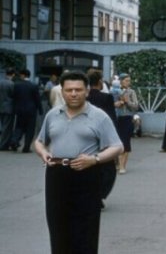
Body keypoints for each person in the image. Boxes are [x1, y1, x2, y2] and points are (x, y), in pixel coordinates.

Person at [34, 71, 123, 254]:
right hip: (56, 173)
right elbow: (39, 141)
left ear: (87, 91)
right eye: (69, 90)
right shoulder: (53, 114)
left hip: (86, 173)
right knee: (57, 224)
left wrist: (95, 159)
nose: (73, 94)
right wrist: (43, 153)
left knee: (85, 228)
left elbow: (117, 146)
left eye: (78, 90)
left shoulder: (99, 116)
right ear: (62, 92)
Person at [87, 70, 119, 206]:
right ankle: (99, 195)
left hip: (86, 136)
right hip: (103, 137)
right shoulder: (107, 98)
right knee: (108, 169)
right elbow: (111, 119)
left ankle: (89, 195)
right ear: (100, 82)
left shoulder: (85, 97)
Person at [10, 69, 43, 152]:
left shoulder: (17, 85)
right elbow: (37, 99)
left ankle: (14, 141)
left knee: (19, 127)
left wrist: (14, 109)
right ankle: (26, 147)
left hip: (20, 110)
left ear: (23, 75)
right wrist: (40, 109)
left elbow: (14, 98)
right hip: (31, 110)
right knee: (30, 129)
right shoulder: (33, 85)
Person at [114, 73, 139, 174]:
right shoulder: (114, 91)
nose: (128, 82)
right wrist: (117, 103)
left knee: (126, 142)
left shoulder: (131, 92)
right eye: (126, 80)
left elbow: (136, 106)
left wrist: (128, 101)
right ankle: (117, 164)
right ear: (120, 81)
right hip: (117, 118)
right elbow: (111, 104)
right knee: (116, 142)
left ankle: (122, 166)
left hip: (127, 118)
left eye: (129, 80)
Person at [0, 67, 15, 151]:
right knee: (7, 127)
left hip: (1, 107)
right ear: (13, 74)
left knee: (3, 125)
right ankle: (3, 145)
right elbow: (13, 95)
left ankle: (5, 143)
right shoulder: (11, 84)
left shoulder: (0, 82)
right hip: (9, 107)